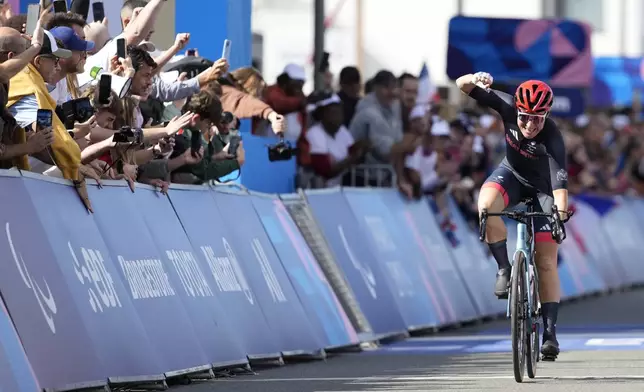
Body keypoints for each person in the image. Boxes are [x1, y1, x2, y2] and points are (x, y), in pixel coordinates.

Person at [456, 72, 570, 359]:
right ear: (516, 109)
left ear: (547, 115)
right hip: (512, 176)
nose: (530, 124)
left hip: (544, 191)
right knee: (486, 205)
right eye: (525, 117)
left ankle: (550, 333)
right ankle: (504, 269)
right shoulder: (505, 105)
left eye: (538, 118)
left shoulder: (553, 136)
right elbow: (462, 85)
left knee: (546, 261)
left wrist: (560, 215)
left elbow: (560, 187)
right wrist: (475, 77)